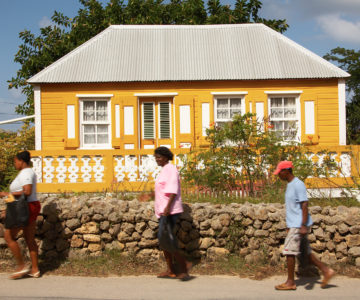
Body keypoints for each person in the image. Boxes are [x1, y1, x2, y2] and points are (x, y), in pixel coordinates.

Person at [273, 161, 335, 290]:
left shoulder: (298, 184)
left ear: (287, 171)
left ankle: (290, 282)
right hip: (294, 224)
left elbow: (304, 205)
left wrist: (302, 225)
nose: (279, 175)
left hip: (298, 224)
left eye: (280, 172)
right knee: (305, 254)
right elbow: (293, 207)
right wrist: (289, 225)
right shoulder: (290, 185)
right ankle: (326, 270)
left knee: (289, 252)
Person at [0, 150, 41, 279]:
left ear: (21, 161)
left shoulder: (25, 173)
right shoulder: (27, 172)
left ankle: (21, 266)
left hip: (25, 207)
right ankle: (35, 269)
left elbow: (26, 191)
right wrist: (8, 207)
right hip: (28, 206)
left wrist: (6, 194)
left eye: (15, 162)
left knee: (8, 236)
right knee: (29, 239)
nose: (15, 164)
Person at [154, 146, 191, 280]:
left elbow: (173, 190)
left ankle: (184, 265)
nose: (156, 160)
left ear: (165, 157)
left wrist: (167, 208)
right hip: (163, 211)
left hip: (169, 211)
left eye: (159, 157)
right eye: (155, 157)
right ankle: (171, 270)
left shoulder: (171, 169)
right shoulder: (164, 170)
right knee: (164, 241)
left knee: (168, 241)